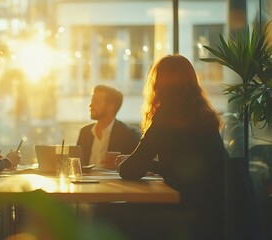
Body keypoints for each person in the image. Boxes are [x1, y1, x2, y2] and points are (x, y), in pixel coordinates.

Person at [115, 55, 228, 239]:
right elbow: (188, 165)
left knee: (109, 211)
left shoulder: (166, 116)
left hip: (186, 209)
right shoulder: (203, 115)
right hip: (214, 211)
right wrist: (151, 165)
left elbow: (130, 171)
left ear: (158, 84)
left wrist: (122, 163)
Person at [77, 85, 139, 169]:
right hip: (86, 182)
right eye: (91, 100)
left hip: (115, 182)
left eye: (96, 101)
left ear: (110, 107)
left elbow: (136, 167)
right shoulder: (85, 132)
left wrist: (119, 166)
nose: (90, 105)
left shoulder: (129, 135)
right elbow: (78, 165)